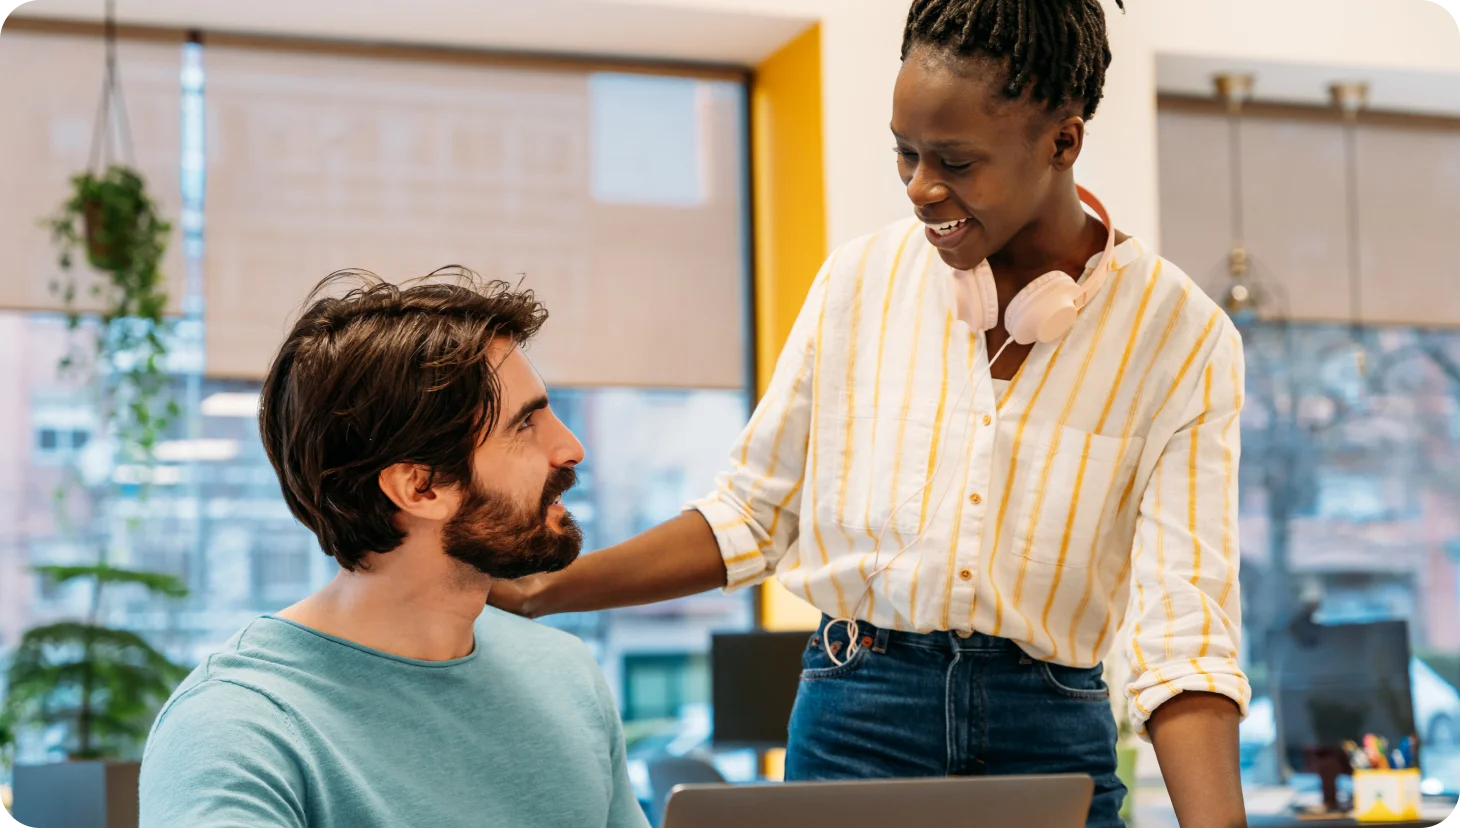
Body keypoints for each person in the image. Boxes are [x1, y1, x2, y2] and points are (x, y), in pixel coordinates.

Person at [491, 1, 1249, 826]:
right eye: (906, 153)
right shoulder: (860, 283)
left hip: (1053, 726)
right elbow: (753, 516)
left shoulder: (1180, 335)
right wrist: (542, 587)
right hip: (858, 710)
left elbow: (1186, 631)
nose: (922, 188)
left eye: (955, 162)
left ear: (1062, 142)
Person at [139, 271, 648, 828]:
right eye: (525, 424)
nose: (570, 448)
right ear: (420, 487)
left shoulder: (565, 673)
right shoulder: (237, 729)